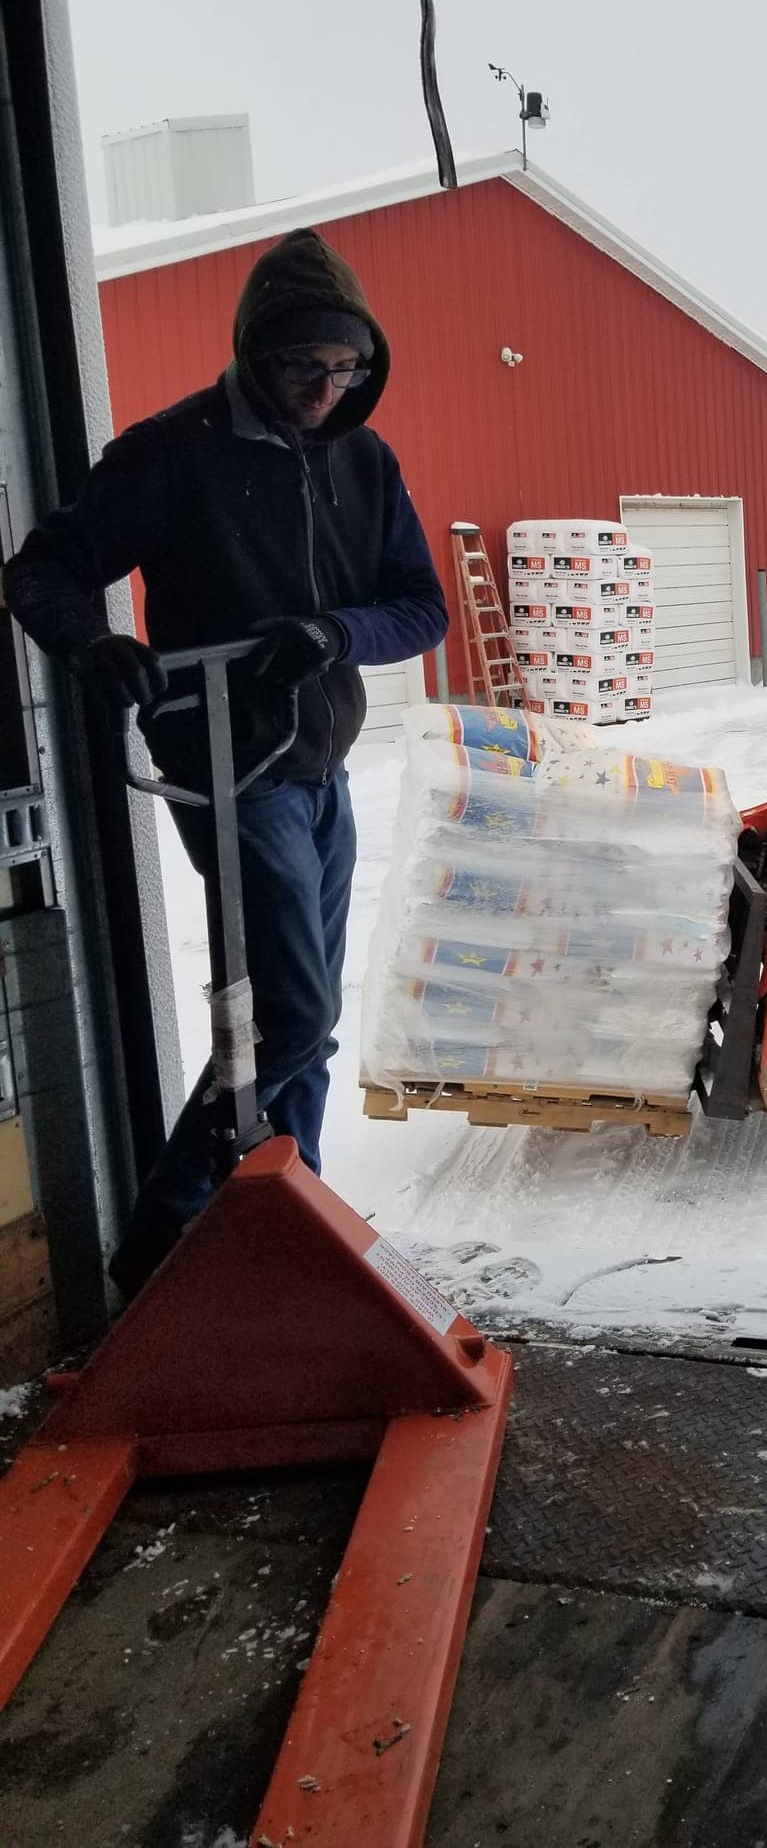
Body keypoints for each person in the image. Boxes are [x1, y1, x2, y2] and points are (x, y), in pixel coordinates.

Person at [3, 228, 447, 1297]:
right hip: (227, 764)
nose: (323, 390)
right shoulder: (173, 454)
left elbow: (420, 608)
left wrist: (336, 634)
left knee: (310, 1030)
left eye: (345, 370)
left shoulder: (363, 458)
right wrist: (93, 644)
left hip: (323, 759)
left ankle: (292, 1234)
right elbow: (41, 572)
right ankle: (162, 1244)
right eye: (304, 366)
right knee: (293, 1013)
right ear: (256, 351)